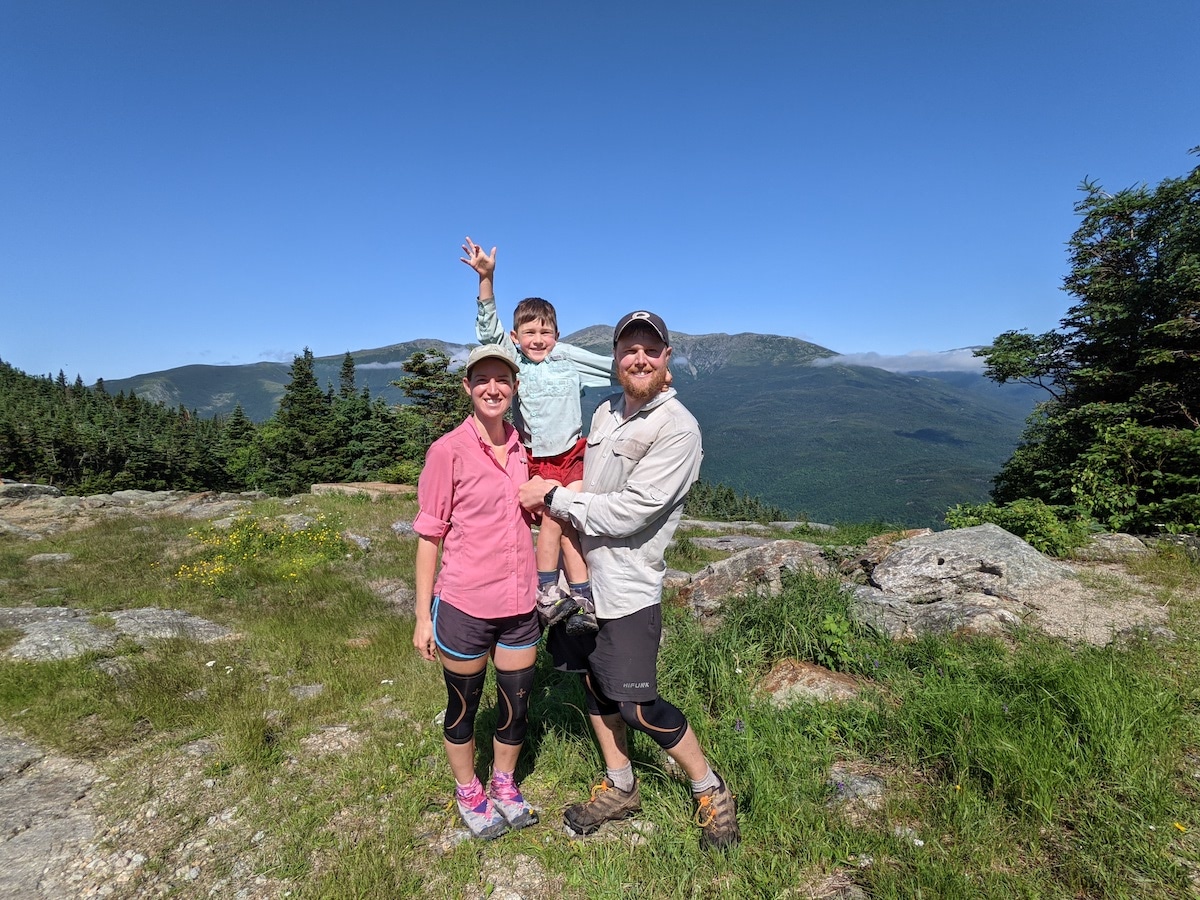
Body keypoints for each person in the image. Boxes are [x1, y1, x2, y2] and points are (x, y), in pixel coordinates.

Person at [518, 310, 741, 850]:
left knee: (638, 704)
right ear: (616, 360)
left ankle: (709, 788)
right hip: (582, 584)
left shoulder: (678, 428)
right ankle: (621, 785)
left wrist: (551, 498)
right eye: (629, 350)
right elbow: (587, 489)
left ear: (667, 361)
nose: (639, 358)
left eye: (651, 350)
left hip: (626, 588)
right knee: (593, 684)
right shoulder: (605, 415)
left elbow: (630, 511)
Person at [411, 344, 541, 840]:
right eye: (482, 380)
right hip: (465, 601)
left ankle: (504, 784)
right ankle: (469, 791)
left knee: (516, 703)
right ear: (467, 388)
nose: (493, 388)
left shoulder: (524, 448)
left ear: (513, 387)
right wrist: (423, 615)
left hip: (519, 601)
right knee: (463, 705)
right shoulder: (448, 450)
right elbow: (429, 535)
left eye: (502, 380)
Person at [461, 237, 616, 636]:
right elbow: (487, 334)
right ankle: (548, 590)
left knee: (571, 524)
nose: (538, 339)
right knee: (553, 519)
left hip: (574, 453)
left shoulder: (568, 361)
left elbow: (609, 369)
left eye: (545, 331)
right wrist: (486, 280)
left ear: (557, 333)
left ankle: (581, 597)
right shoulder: (518, 368)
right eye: (529, 332)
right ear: (515, 337)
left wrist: (653, 374)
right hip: (538, 459)